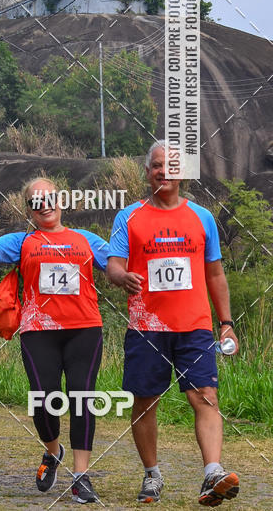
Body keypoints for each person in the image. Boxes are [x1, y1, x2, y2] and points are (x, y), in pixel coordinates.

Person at [0, 183, 108, 502]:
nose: (44, 205)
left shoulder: (87, 240)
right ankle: (53, 452)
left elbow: (116, 264)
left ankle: (81, 475)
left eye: (49, 198)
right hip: (38, 333)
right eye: (36, 201)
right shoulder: (22, 242)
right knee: (44, 399)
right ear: (29, 208)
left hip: (84, 330)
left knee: (82, 398)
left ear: (61, 201)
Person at [106, 141, 240, 506]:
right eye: (156, 166)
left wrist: (226, 323)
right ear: (147, 172)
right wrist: (122, 277)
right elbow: (112, 264)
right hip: (146, 326)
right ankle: (152, 474)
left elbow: (215, 274)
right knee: (145, 402)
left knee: (206, 397)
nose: (163, 172)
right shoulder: (128, 217)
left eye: (170, 166)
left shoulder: (202, 217)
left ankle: (212, 472)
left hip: (194, 326)